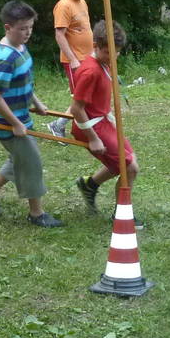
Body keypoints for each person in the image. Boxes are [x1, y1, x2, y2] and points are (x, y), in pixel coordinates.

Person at [0, 0, 62, 227]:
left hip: (21, 115)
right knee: (31, 161)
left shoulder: (21, 48)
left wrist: (37, 102)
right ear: (8, 27)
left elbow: (25, 81)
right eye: (23, 28)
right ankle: (36, 214)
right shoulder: (5, 58)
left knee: (20, 158)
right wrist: (14, 123)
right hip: (5, 120)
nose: (28, 32)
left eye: (30, 27)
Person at [69, 20, 141, 226]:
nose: (113, 57)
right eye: (108, 52)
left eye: (117, 52)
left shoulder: (103, 64)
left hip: (103, 122)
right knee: (129, 167)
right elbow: (76, 109)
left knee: (129, 162)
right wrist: (93, 138)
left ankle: (90, 185)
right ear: (96, 46)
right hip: (91, 126)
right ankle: (122, 215)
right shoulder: (90, 71)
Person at [47, 0, 92, 140]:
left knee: (87, 96)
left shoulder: (82, 2)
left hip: (87, 58)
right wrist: (73, 60)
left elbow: (83, 29)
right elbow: (59, 35)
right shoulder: (64, 5)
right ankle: (58, 125)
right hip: (74, 60)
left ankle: (83, 127)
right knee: (80, 99)